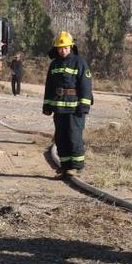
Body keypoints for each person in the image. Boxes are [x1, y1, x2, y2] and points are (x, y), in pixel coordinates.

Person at [42, 31, 93, 176]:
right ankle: (64, 165)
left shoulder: (79, 62)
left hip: (75, 109)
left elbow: (86, 85)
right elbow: (49, 86)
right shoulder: (54, 64)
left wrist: (84, 105)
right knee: (60, 137)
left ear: (71, 47)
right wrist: (47, 105)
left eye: (65, 48)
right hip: (59, 108)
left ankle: (76, 166)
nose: (62, 50)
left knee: (74, 137)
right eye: (60, 48)